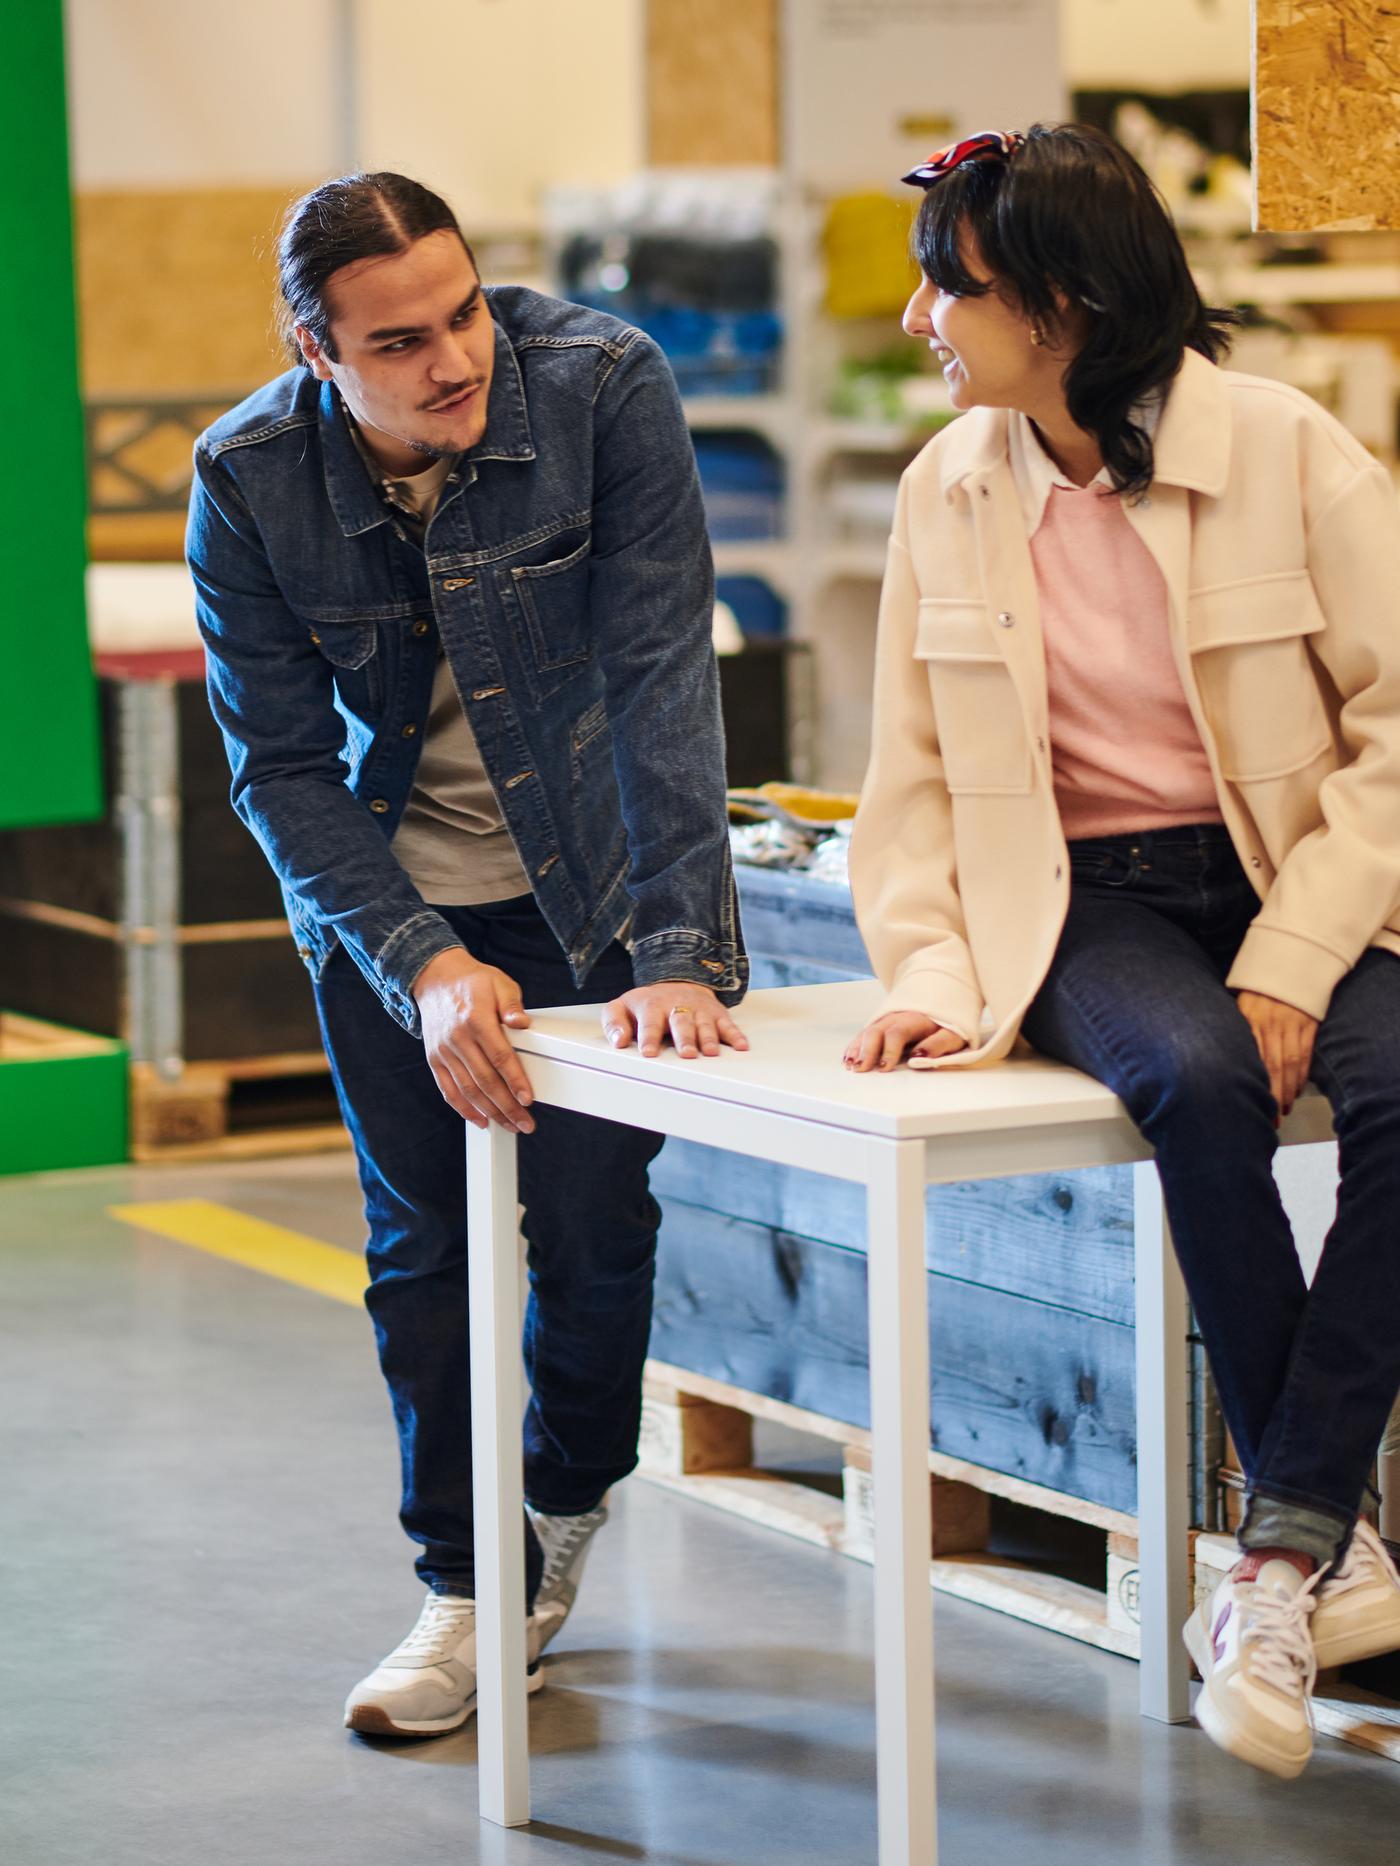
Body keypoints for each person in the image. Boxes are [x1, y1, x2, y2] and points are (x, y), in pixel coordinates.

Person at [845, 124, 1400, 1779]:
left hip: (1297, 873)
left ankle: (1282, 1550)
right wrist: (934, 981)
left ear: (1066, 309)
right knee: (1195, 1080)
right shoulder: (943, 490)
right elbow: (913, 784)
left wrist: (1298, 952)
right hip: (1082, 897)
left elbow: (1394, 728)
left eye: (954, 288)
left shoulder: (1292, 451)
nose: (919, 319)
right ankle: (1325, 1543)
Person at [187, 172, 748, 1739]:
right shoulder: (245, 478)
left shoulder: (602, 386)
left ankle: (556, 1518)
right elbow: (282, 768)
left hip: (593, 901)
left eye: (466, 309)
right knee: (421, 1250)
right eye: (400, 341)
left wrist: (677, 942)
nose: (454, 359)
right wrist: (420, 960)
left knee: (590, 1229)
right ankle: (464, 1587)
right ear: (316, 348)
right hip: (394, 903)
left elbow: (657, 671)